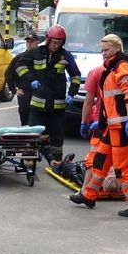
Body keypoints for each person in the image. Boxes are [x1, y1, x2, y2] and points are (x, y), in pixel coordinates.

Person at [70, 34, 128, 218]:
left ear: (117, 48)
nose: (103, 53)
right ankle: (89, 195)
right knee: (100, 161)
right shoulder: (112, 67)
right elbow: (111, 100)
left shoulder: (122, 66)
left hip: (121, 127)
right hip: (112, 125)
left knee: (123, 168)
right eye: (102, 50)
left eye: (107, 50)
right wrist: (103, 120)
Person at [15, 24, 81, 165]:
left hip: (58, 106)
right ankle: (29, 161)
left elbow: (75, 75)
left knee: (57, 136)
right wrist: (31, 80)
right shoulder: (36, 52)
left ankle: (56, 162)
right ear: (48, 40)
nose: (56, 46)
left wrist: (72, 93)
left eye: (59, 43)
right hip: (37, 105)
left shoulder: (66, 56)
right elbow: (19, 66)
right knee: (33, 134)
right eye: (54, 42)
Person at [4, 32, 40, 125]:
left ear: (38, 42)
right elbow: (8, 74)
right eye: (28, 42)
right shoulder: (19, 58)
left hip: (39, 93)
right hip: (25, 93)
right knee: (25, 117)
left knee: (38, 119)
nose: (29, 44)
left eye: (32, 41)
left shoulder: (42, 57)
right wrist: (14, 90)